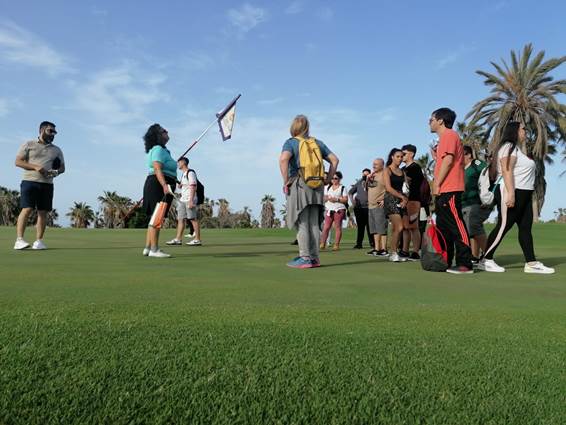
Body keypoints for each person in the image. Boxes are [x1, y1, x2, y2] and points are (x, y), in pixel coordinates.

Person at [479, 121, 555, 274]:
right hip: (512, 192)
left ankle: (531, 263)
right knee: (504, 225)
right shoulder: (508, 147)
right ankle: (486, 260)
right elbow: (507, 170)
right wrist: (511, 194)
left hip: (525, 193)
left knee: (526, 228)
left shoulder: (517, 150)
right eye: (522, 129)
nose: (525, 131)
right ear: (514, 131)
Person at [280, 114, 339, 268]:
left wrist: (285, 181)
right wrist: (328, 179)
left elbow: (283, 159)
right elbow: (335, 160)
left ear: (294, 127)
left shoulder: (291, 143)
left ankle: (304, 257)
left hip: (300, 183)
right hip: (317, 185)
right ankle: (314, 258)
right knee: (314, 222)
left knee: (302, 221)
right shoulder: (317, 143)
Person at [429, 107, 473, 274]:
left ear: (440, 120)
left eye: (431, 119)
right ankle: (445, 260)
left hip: (450, 188)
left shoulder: (449, 135)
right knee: (444, 227)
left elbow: (448, 161)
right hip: (444, 189)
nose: (429, 122)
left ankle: (465, 263)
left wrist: (437, 184)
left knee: (456, 224)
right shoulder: (444, 139)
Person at [14, 121, 65, 250]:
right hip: (29, 182)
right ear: (42, 130)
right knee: (27, 209)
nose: (53, 134)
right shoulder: (29, 144)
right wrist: (36, 167)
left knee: (43, 212)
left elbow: (62, 167)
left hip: (47, 184)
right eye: (50, 131)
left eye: (54, 132)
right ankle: (19, 240)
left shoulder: (56, 150)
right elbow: (18, 162)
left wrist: (56, 171)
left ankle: (39, 241)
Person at [142, 124, 177, 258]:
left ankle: (148, 247)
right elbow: (157, 168)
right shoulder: (158, 149)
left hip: (159, 183)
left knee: (154, 217)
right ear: (158, 136)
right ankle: (154, 249)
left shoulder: (163, 150)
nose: (167, 131)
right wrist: (164, 185)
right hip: (158, 184)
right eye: (163, 130)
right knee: (157, 217)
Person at [461, 145, 489, 262]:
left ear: (468, 155)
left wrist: (486, 198)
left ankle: (488, 255)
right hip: (464, 204)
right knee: (470, 231)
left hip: (476, 202)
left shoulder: (476, 164)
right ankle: (475, 256)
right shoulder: (462, 169)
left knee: (474, 227)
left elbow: (486, 172)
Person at [166, 157, 202, 247]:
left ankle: (197, 239)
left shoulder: (191, 173)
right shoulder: (183, 174)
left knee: (193, 219)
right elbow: (185, 186)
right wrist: (181, 185)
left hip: (189, 199)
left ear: (183, 162)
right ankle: (178, 239)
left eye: (178, 162)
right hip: (182, 200)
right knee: (180, 219)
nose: (177, 164)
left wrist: (191, 201)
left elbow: (193, 186)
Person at [383, 148, 408, 262]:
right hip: (390, 200)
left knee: (396, 229)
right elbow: (388, 188)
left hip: (401, 200)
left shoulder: (402, 172)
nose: (400, 158)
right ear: (392, 157)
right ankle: (393, 253)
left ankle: (394, 253)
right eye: (398, 156)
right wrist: (401, 197)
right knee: (399, 227)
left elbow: (406, 188)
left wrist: (404, 199)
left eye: (402, 157)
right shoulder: (387, 170)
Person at [400, 144, 424, 260]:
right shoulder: (403, 169)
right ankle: (404, 250)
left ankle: (415, 251)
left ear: (411, 154)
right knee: (405, 227)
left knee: (413, 226)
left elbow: (413, 183)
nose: (401, 156)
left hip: (413, 200)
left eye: (404, 154)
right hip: (403, 201)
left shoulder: (415, 167)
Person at [366, 158, 389, 257]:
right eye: (373, 164)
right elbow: (367, 187)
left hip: (379, 205)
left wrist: (385, 200)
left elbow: (389, 188)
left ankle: (384, 249)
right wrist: (368, 179)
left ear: (382, 165)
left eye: (376, 164)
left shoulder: (385, 174)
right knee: (374, 229)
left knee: (382, 228)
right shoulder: (373, 175)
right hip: (371, 206)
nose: (374, 166)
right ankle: (377, 248)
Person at [320, 171, 348, 251]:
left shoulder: (342, 188)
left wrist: (336, 199)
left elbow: (345, 199)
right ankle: (322, 243)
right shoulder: (327, 187)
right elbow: (324, 197)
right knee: (326, 227)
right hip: (329, 209)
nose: (333, 180)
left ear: (340, 179)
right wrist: (328, 198)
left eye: (336, 178)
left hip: (339, 209)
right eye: (332, 178)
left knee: (337, 227)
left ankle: (336, 245)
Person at [349, 168, 373, 249]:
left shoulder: (373, 182)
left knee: (370, 227)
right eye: (363, 174)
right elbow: (350, 192)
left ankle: (372, 244)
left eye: (367, 174)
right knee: (360, 227)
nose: (365, 176)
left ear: (370, 174)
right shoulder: (358, 182)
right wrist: (353, 202)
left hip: (369, 208)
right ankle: (359, 244)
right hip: (359, 208)